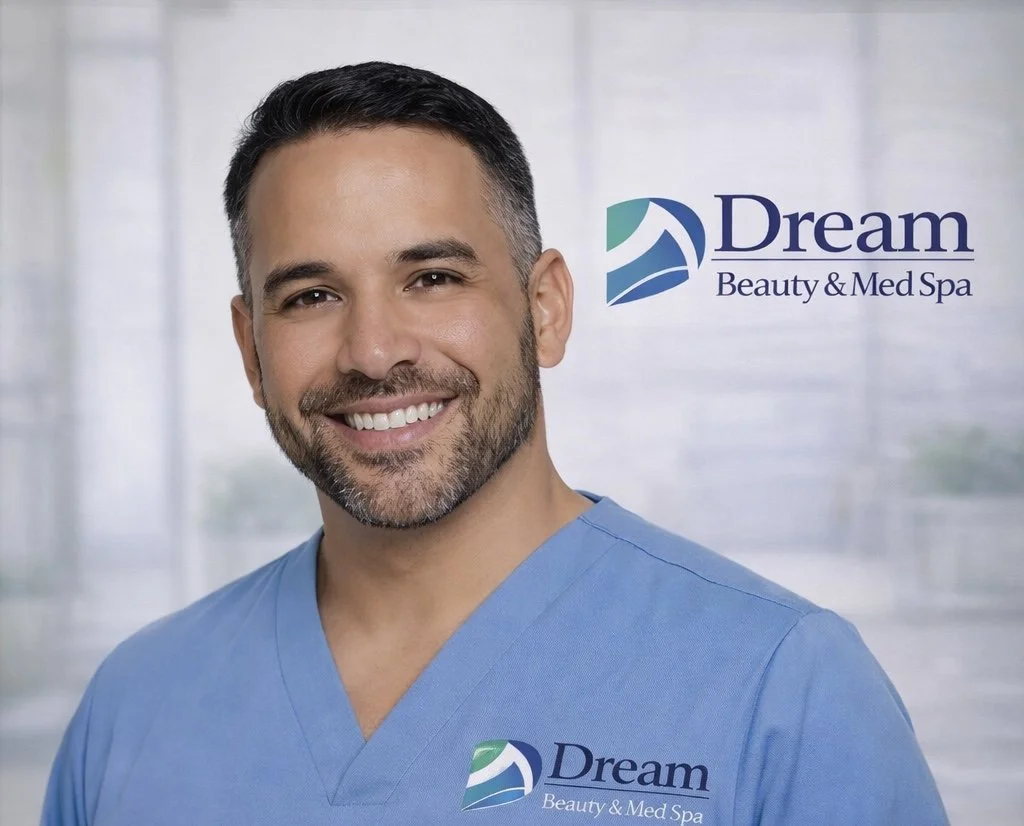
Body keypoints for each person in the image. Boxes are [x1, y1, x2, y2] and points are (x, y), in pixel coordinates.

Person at [41, 61, 949, 825]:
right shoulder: (136, 706)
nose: (374, 352)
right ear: (250, 349)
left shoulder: (783, 685)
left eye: (432, 277)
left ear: (545, 308)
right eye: (311, 296)